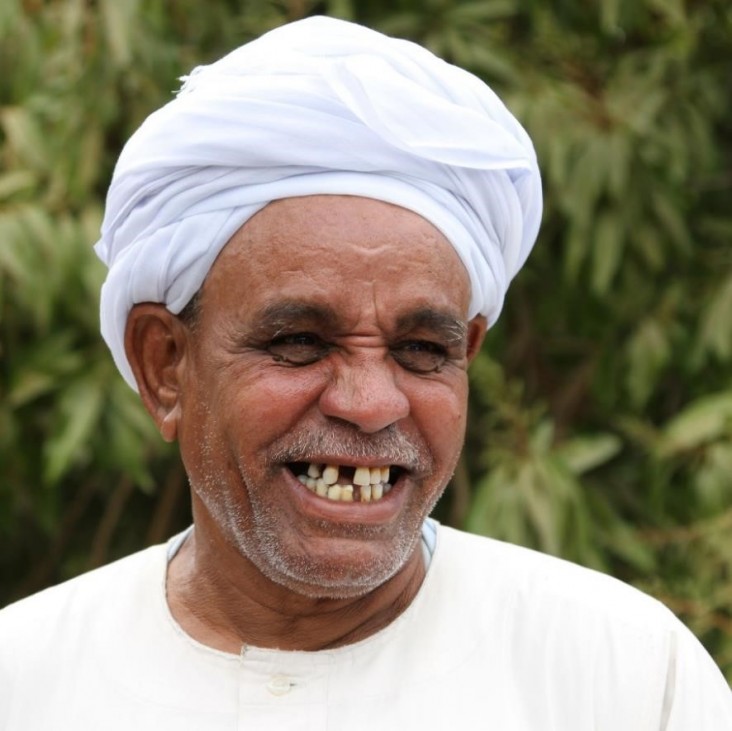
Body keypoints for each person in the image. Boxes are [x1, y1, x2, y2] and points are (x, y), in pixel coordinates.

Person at [1, 16, 730, 730]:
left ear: (467, 354)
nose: (372, 403)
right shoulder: (25, 680)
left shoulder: (623, 676)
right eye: (297, 342)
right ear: (165, 365)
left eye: (421, 351)